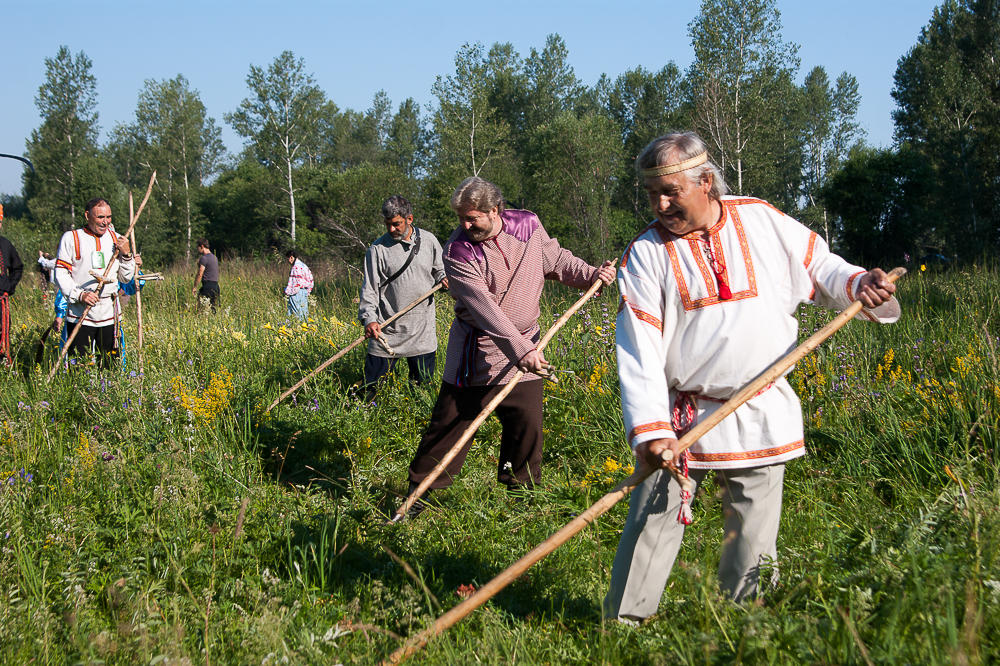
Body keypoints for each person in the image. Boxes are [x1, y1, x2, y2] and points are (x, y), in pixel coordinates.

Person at [603, 131, 900, 621]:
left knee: (754, 527)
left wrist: (857, 282)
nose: (659, 203)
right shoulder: (647, 253)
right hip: (683, 415)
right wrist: (651, 432)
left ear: (705, 182)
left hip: (759, 405)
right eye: (651, 192)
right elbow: (638, 348)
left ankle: (743, 623)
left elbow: (820, 267)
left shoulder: (760, 219)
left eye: (670, 191)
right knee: (654, 516)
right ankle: (625, 625)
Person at [404, 177, 615, 514]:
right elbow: (486, 312)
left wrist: (591, 275)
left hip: (527, 344)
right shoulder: (458, 252)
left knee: (526, 425)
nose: (465, 224)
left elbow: (556, 261)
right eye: (461, 218)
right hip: (478, 353)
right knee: (450, 425)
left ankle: (524, 497)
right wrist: (522, 352)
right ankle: (418, 496)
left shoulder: (528, 225)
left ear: (495, 209)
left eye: (472, 217)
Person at [358, 195, 447, 402]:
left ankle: (418, 424)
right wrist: (369, 319)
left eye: (396, 224)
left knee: (421, 389)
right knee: (371, 388)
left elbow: (440, 270)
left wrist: (444, 279)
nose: (391, 229)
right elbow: (370, 289)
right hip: (387, 330)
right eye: (387, 224)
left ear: (409, 219)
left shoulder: (429, 241)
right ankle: (363, 419)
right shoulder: (377, 249)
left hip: (422, 331)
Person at [53, 197, 135, 365]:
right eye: (100, 217)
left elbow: (125, 278)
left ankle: (108, 391)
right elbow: (60, 273)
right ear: (87, 215)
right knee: (79, 366)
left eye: (108, 217)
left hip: (109, 315)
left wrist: (127, 255)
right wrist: (80, 295)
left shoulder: (117, 239)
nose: (105, 222)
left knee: (110, 365)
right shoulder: (72, 238)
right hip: (79, 314)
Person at [0, 203, 24, 365]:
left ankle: (4, 365)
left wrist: (10, 287)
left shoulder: (5, 244)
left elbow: (18, 267)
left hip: (1, 298)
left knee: (2, 333)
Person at [284, 249, 314, 321]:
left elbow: (295, 282)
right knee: (304, 314)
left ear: (291, 257)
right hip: (304, 292)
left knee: (295, 315)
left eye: (288, 259)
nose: (288, 261)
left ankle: (296, 329)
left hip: (296, 293)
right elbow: (311, 280)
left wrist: (288, 291)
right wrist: (308, 291)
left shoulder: (295, 267)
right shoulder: (304, 266)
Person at [193, 239, 220, 312]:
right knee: (213, 310)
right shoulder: (215, 258)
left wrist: (195, 286)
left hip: (207, 287)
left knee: (201, 309)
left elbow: (200, 273)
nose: (198, 250)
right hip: (216, 287)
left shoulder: (204, 258)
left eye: (198, 247)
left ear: (202, 246)